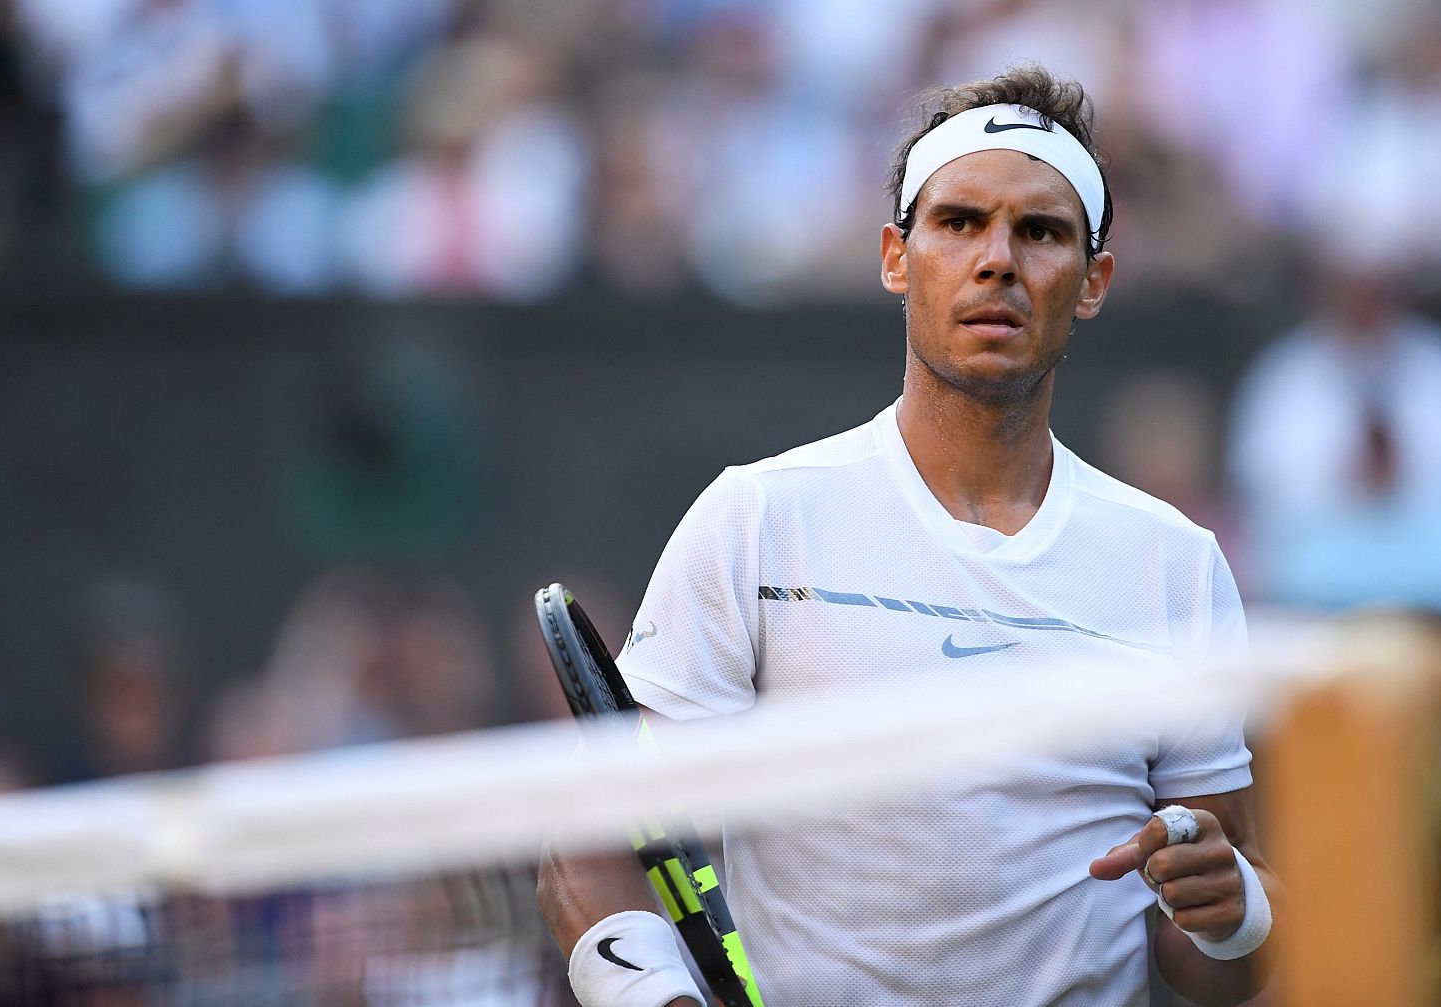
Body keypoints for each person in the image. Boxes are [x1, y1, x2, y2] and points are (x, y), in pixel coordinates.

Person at [538, 63, 1279, 1007]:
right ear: (897, 255)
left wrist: (1232, 914)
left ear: (1093, 282)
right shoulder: (757, 520)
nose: (998, 259)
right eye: (960, 222)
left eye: (1040, 231)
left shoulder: (1175, 564)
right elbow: (592, 846)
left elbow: (1221, 966)